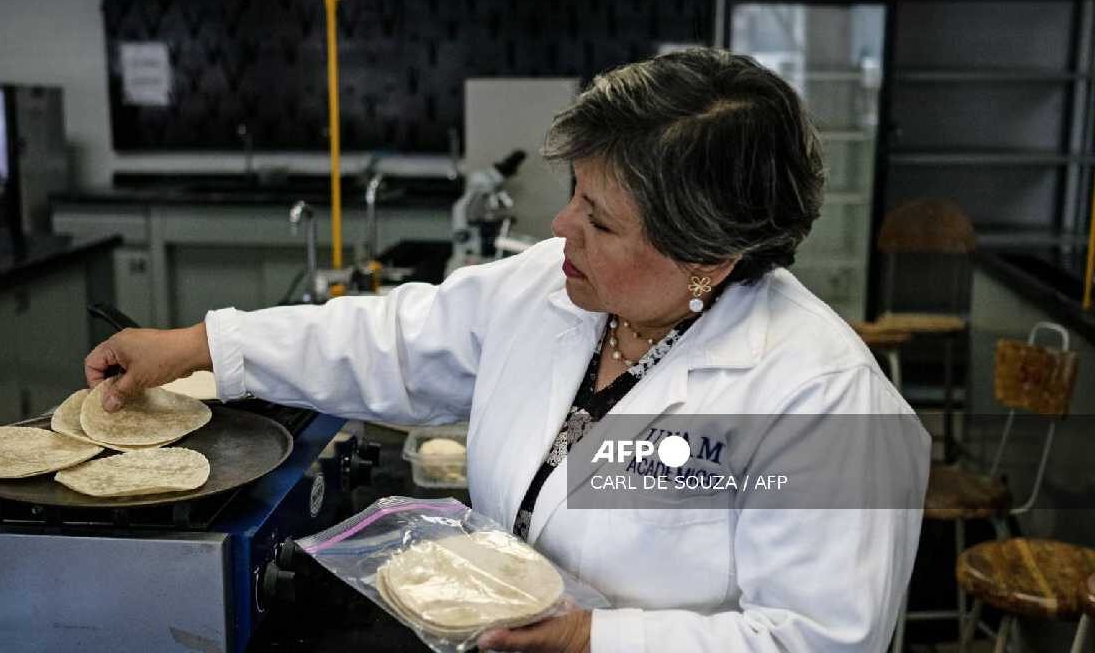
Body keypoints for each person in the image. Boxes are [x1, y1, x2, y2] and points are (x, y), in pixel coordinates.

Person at [85, 47, 930, 652]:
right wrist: (201, 345)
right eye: (575, 196)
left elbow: (819, 639)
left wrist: (592, 640)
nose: (562, 226)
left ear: (709, 255)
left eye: (600, 219)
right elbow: (394, 342)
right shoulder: (557, 287)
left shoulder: (821, 403)